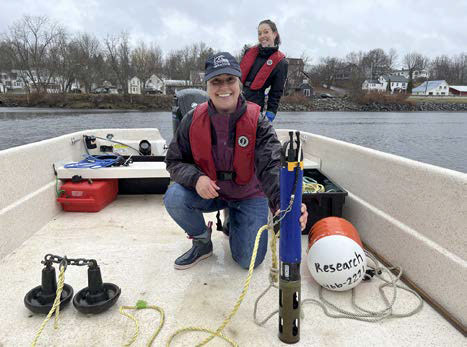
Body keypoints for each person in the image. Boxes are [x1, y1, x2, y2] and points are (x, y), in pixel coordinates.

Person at [163, 52, 307, 270]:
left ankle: (234, 217)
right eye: (216, 81)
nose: (224, 88)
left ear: (239, 83)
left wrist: (284, 204)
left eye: (230, 80)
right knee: (174, 197)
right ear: (207, 86)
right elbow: (173, 161)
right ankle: (202, 242)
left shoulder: (257, 121)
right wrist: (196, 179)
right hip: (211, 190)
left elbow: (272, 164)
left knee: (248, 260)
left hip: (248, 194)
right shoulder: (191, 120)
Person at [240, 19, 288, 123]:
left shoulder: (281, 63)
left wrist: (270, 113)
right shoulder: (249, 52)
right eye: (259, 33)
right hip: (237, 98)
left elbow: (276, 92)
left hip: (256, 105)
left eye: (266, 32)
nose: (262, 36)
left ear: (274, 34)